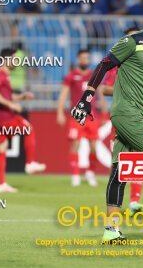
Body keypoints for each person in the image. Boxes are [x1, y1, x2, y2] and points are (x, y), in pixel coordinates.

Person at [70, 3, 143, 243]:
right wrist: (86, 97)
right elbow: (104, 64)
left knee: (119, 172)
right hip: (126, 113)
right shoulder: (132, 41)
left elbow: (140, 75)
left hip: (137, 114)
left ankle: (111, 230)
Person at [98, 27, 143, 216]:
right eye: (129, 38)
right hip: (123, 117)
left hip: (142, 117)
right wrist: (126, 89)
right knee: (119, 161)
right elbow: (104, 89)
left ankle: (134, 202)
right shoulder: (116, 66)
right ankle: (116, 203)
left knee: (140, 158)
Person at [0, 48, 46, 193]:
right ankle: (30, 163)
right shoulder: (0, 74)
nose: (16, 61)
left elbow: (6, 96)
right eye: (13, 58)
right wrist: (10, 105)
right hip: (3, 117)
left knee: (2, 148)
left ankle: (1, 184)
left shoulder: (5, 76)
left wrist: (21, 97)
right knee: (28, 128)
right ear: (6, 59)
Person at [57, 50, 99, 187]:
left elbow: (100, 94)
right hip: (77, 115)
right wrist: (60, 112)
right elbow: (63, 95)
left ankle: (90, 173)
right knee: (75, 144)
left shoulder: (94, 75)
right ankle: (75, 175)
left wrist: (104, 110)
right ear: (78, 59)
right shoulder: (71, 77)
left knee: (94, 146)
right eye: (83, 58)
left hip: (92, 116)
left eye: (87, 58)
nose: (85, 60)